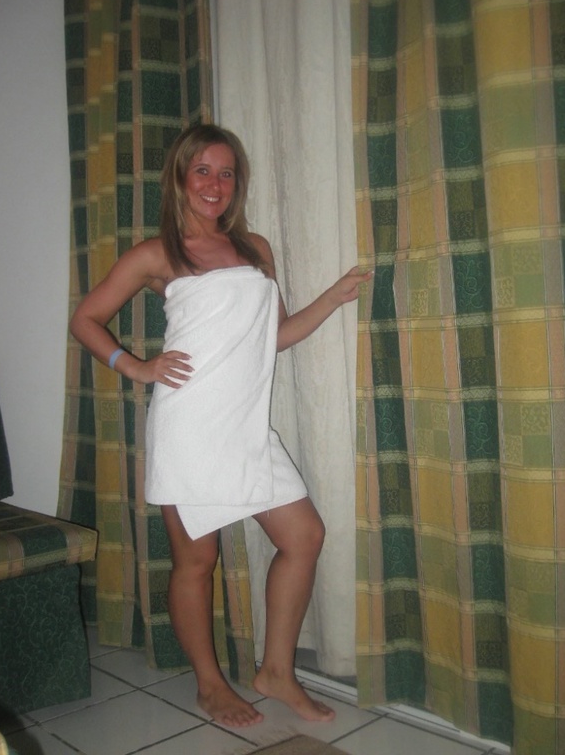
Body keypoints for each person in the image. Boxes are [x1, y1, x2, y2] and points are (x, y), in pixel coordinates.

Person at [70, 123, 373, 728]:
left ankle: (276, 672)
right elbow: (86, 319)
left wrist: (333, 297)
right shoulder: (156, 253)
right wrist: (136, 366)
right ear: (180, 177)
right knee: (196, 561)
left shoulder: (255, 247)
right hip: (189, 425)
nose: (215, 184)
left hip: (247, 429)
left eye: (226, 172)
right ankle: (209, 685)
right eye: (202, 170)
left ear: (238, 182)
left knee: (304, 536)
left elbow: (275, 336)